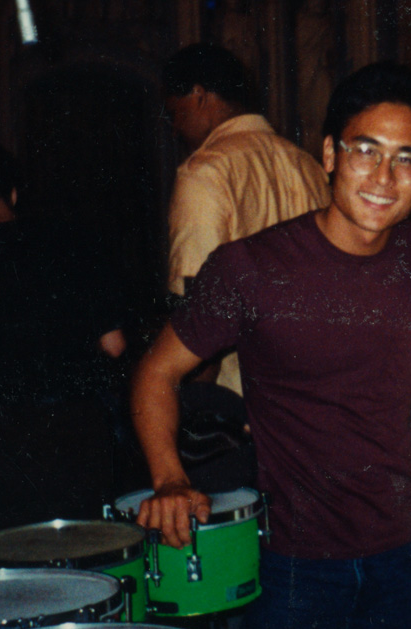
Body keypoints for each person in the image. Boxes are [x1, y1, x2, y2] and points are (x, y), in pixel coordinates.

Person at [131, 63, 411, 629]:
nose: (384, 178)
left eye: (406, 159)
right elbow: (156, 372)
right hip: (294, 564)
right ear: (331, 153)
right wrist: (170, 478)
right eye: (366, 151)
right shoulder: (249, 268)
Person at [0, 136, 126, 543]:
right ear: (14, 193)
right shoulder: (75, 242)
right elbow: (115, 346)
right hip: (77, 438)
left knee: (11, 579)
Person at [163, 43, 331, 395]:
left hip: (239, 398)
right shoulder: (309, 166)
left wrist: (193, 410)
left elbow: (196, 308)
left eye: (176, 113)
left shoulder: (204, 173)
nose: (175, 129)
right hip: (313, 388)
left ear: (198, 96)